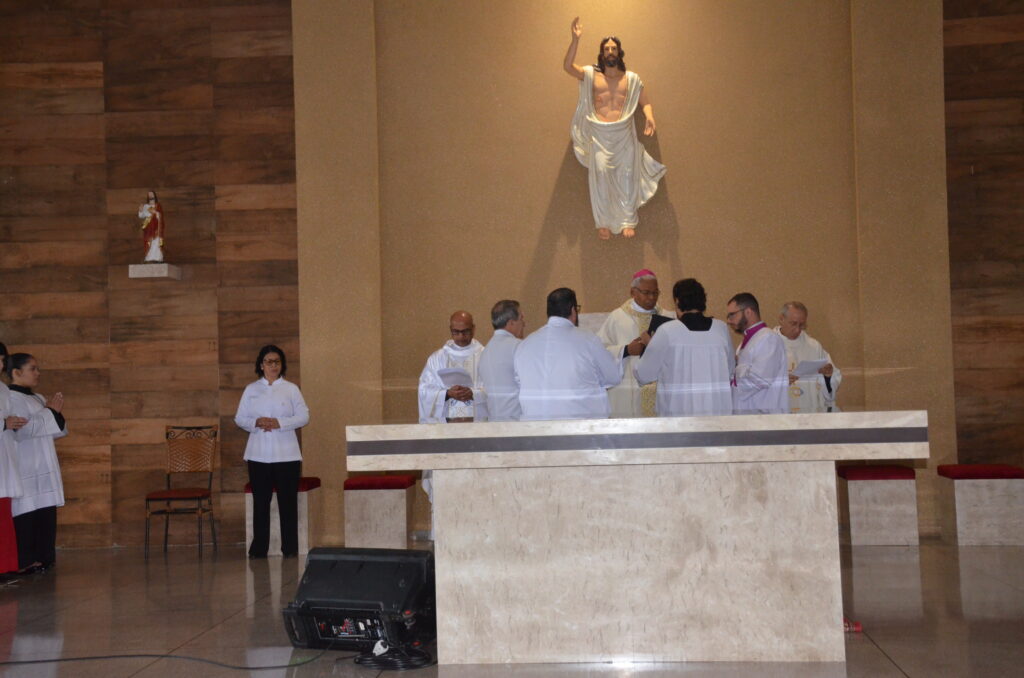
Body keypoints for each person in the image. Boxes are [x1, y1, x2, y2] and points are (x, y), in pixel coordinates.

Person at [564, 17, 666, 240]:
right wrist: (575, 40)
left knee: (628, 176)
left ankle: (628, 220)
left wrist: (649, 116)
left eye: (614, 48)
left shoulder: (631, 79)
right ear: (602, 52)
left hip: (624, 134)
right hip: (600, 134)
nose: (610, 51)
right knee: (600, 174)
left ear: (620, 53)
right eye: (606, 48)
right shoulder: (592, 76)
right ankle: (604, 222)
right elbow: (568, 67)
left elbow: (644, 101)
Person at [234, 345, 309, 558]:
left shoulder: (291, 389)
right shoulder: (251, 389)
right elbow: (240, 418)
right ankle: (259, 549)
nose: (273, 365)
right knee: (261, 502)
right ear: (261, 365)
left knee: (287, 503)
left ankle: (290, 548)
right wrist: (256, 422)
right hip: (258, 455)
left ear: (282, 364)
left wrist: (279, 423)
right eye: (269, 361)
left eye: (277, 361)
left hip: (287, 455)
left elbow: (304, 417)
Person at [514, 288, 623, 420]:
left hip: (536, 430)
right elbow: (613, 376)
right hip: (580, 429)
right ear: (573, 310)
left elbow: (520, 384)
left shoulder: (525, 345)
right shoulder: (588, 340)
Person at [634, 279, 735, 416]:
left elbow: (643, 374)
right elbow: (729, 370)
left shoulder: (667, 331)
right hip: (716, 415)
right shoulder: (721, 329)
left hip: (679, 419)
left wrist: (650, 346)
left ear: (677, 301)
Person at [6, 353, 67, 574]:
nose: (38, 373)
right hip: (25, 465)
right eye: (33, 369)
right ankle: (27, 560)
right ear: (16, 372)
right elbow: (24, 430)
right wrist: (50, 412)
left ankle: (44, 557)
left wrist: (51, 412)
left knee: (45, 514)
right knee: (27, 515)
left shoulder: (39, 398)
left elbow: (58, 430)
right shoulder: (11, 398)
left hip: (43, 464)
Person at [596, 269, 673, 417]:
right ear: (633, 292)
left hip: (660, 392)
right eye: (646, 292)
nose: (651, 297)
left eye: (655, 292)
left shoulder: (668, 317)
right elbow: (600, 352)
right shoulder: (617, 317)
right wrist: (626, 350)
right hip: (627, 394)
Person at [417, 311, 485, 423]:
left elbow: (497, 389)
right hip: (446, 424)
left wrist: (474, 393)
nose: (461, 336)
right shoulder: (437, 358)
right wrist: (447, 393)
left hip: (478, 424)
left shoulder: (485, 356)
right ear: (450, 329)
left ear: (473, 329)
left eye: (465, 331)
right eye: (456, 332)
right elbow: (424, 390)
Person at [726, 293, 788, 414]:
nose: (729, 320)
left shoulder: (769, 338)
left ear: (748, 312)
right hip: (748, 418)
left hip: (764, 420)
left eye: (732, 315)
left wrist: (733, 379)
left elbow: (760, 379)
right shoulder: (748, 340)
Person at [774, 302, 842, 413]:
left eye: (802, 325)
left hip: (809, 414)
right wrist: (779, 381)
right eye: (793, 324)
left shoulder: (813, 346)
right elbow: (756, 381)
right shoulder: (768, 346)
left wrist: (827, 376)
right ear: (781, 319)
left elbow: (832, 381)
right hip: (780, 416)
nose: (797, 330)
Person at [0, 343, 28, 579]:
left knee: (4, 512)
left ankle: (6, 566)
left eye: (1, 361)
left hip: (4, 455)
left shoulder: (3, 389)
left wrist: (12, 423)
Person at [478, 300, 526, 422]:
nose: (524, 323)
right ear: (511, 323)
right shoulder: (519, 347)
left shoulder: (485, 352)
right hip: (518, 422)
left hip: (494, 423)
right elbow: (529, 384)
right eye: (521, 318)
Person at [138, 190, 165, 263]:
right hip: (148, 227)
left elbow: (160, 216)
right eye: (149, 195)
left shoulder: (158, 206)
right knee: (149, 241)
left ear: (154, 196)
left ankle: (157, 257)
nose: (150, 196)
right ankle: (149, 257)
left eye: (151, 194)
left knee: (156, 241)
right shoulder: (146, 206)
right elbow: (141, 216)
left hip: (156, 227)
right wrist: (140, 210)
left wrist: (155, 213)